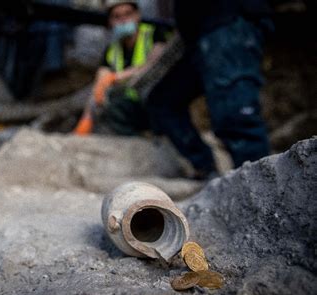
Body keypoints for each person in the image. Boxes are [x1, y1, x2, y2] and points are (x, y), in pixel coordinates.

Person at [145, 0, 273, 179]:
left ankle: (260, 188)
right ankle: (207, 170)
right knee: (163, 102)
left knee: (234, 115)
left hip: (228, 21)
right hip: (198, 35)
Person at [74, 0, 168, 136]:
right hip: (131, 106)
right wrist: (86, 118)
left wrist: (116, 77)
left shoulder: (153, 34)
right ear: (110, 22)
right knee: (110, 102)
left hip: (157, 102)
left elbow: (155, 64)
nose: (123, 20)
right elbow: (100, 84)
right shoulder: (112, 50)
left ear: (137, 15)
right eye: (117, 16)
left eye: (128, 14)